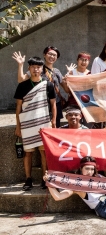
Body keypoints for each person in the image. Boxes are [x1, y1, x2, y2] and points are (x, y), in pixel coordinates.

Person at [14, 56, 57, 190]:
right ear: (29, 68)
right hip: (26, 124)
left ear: (42, 69)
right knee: (28, 153)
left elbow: (53, 105)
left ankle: (45, 178)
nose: (36, 69)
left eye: (38, 67)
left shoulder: (48, 84)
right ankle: (28, 179)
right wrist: (18, 126)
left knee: (44, 152)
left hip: (43, 122)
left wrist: (54, 121)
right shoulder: (22, 86)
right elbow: (18, 107)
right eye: (33, 67)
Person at [13, 47, 69, 127]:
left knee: (54, 128)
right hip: (40, 104)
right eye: (50, 54)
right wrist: (20, 65)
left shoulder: (57, 71)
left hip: (55, 104)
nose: (52, 57)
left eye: (54, 55)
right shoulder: (37, 68)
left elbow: (66, 89)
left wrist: (69, 77)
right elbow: (21, 80)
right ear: (44, 55)